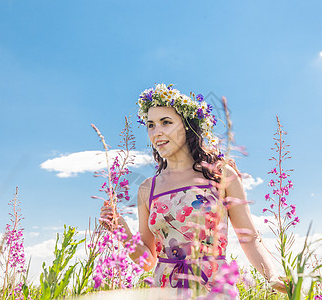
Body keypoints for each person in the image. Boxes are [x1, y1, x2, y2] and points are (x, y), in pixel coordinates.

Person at [101, 83, 286, 298]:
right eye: (150, 125)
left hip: (214, 290)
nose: (156, 132)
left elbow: (250, 238)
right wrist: (122, 232)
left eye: (166, 122)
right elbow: (148, 261)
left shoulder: (220, 175)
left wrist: (271, 275)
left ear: (188, 126)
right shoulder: (147, 189)